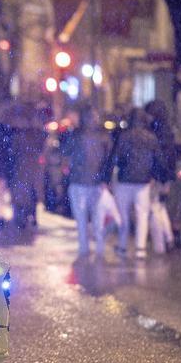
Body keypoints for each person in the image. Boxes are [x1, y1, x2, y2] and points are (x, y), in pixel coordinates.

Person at [110, 108, 162, 258]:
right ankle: (140, 249)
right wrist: (158, 176)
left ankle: (122, 245)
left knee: (123, 216)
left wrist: (108, 176)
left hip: (124, 181)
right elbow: (157, 159)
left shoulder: (124, 136)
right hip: (143, 182)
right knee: (142, 215)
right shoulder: (151, 138)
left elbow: (116, 157)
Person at [66, 107, 114, 258]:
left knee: (81, 220)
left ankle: (84, 250)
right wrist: (105, 179)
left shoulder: (75, 136)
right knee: (98, 220)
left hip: (78, 182)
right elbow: (109, 161)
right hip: (96, 183)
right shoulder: (104, 137)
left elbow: (66, 154)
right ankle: (99, 250)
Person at [10, 120, 48, 228]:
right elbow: (43, 148)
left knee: (23, 193)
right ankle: (32, 216)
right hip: (34, 167)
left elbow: (13, 151)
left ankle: (23, 217)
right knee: (33, 192)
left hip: (22, 167)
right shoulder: (39, 134)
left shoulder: (19, 136)